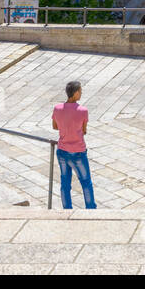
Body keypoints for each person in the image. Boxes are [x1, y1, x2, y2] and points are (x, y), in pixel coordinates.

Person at [52, 80, 96, 209]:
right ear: (76, 93)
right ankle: (91, 210)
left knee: (65, 184)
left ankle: (67, 209)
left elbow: (55, 126)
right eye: (80, 91)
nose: (81, 93)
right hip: (78, 152)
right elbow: (84, 130)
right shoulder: (83, 110)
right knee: (86, 183)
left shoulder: (57, 108)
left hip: (62, 151)